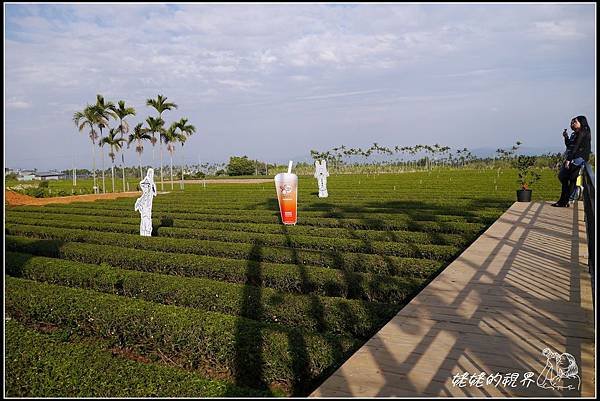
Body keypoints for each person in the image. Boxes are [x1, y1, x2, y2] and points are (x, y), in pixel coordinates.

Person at [552, 116, 592, 207]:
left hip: (577, 159)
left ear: (581, 122)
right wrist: (566, 137)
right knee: (568, 179)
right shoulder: (577, 133)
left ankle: (566, 199)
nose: (572, 124)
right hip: (576, 158)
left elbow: (575, 147)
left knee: (565, 177)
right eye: (572, 122)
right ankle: (568, 198)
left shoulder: (583, 132)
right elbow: (570, 145)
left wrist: (569, 160)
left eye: (575, 122)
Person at [134, 168, 157, 236]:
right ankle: (143, 233)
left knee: (147, 219)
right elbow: (141, 183)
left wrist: (152, 184)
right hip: (145, 205)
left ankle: (147, 233)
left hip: (149, 204)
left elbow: (155, 193)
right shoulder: (146, 181)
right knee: (144, 219)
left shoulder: (152, 184)